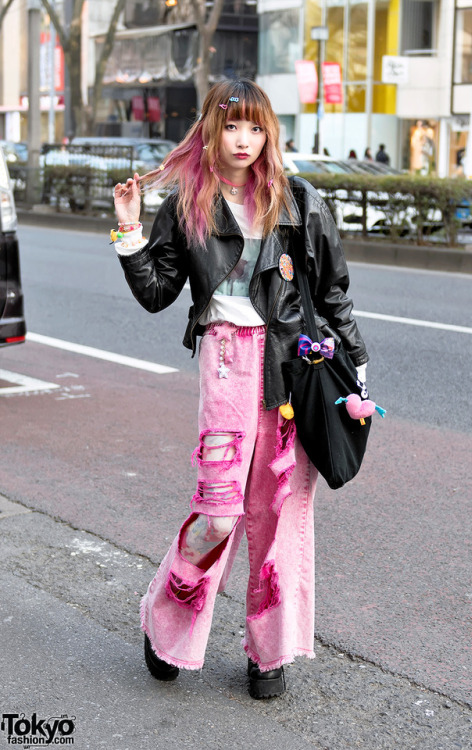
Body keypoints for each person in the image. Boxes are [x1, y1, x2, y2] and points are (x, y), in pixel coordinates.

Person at [112, 79, 369, 700]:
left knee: (281, 514)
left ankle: (269, 654)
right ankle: (165, 626)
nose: (245, 140)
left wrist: (356, 366)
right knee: (221, 511)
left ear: (268, 133)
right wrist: (128, 232)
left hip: (293, 369)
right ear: (211, 129)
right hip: (226, 363)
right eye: (233, 127)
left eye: (256, 128)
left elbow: (333, 292)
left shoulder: (297, 198)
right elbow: (156, 295)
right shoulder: (188, 204)